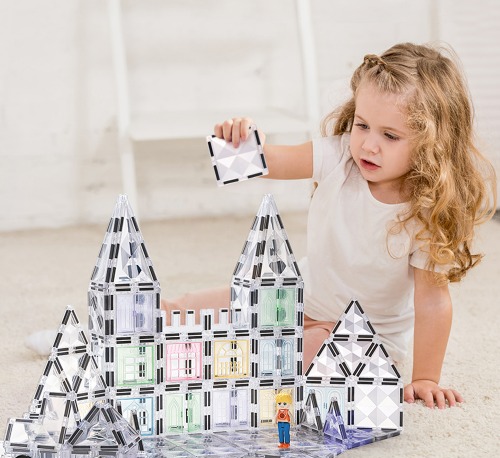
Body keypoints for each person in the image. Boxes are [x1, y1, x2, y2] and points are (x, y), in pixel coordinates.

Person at [162, 42, 496, 410]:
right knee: (188, 310)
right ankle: (145, 326)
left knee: (286, 367)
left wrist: (425, 378)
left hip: (362, 338)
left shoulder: (425, 213)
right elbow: (259, 162)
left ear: (433, 145)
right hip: (295, 298)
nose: (368, 145)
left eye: (390, 135)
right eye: (362, 125)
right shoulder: (337, 156)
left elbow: (432, 302)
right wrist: (241, 141)